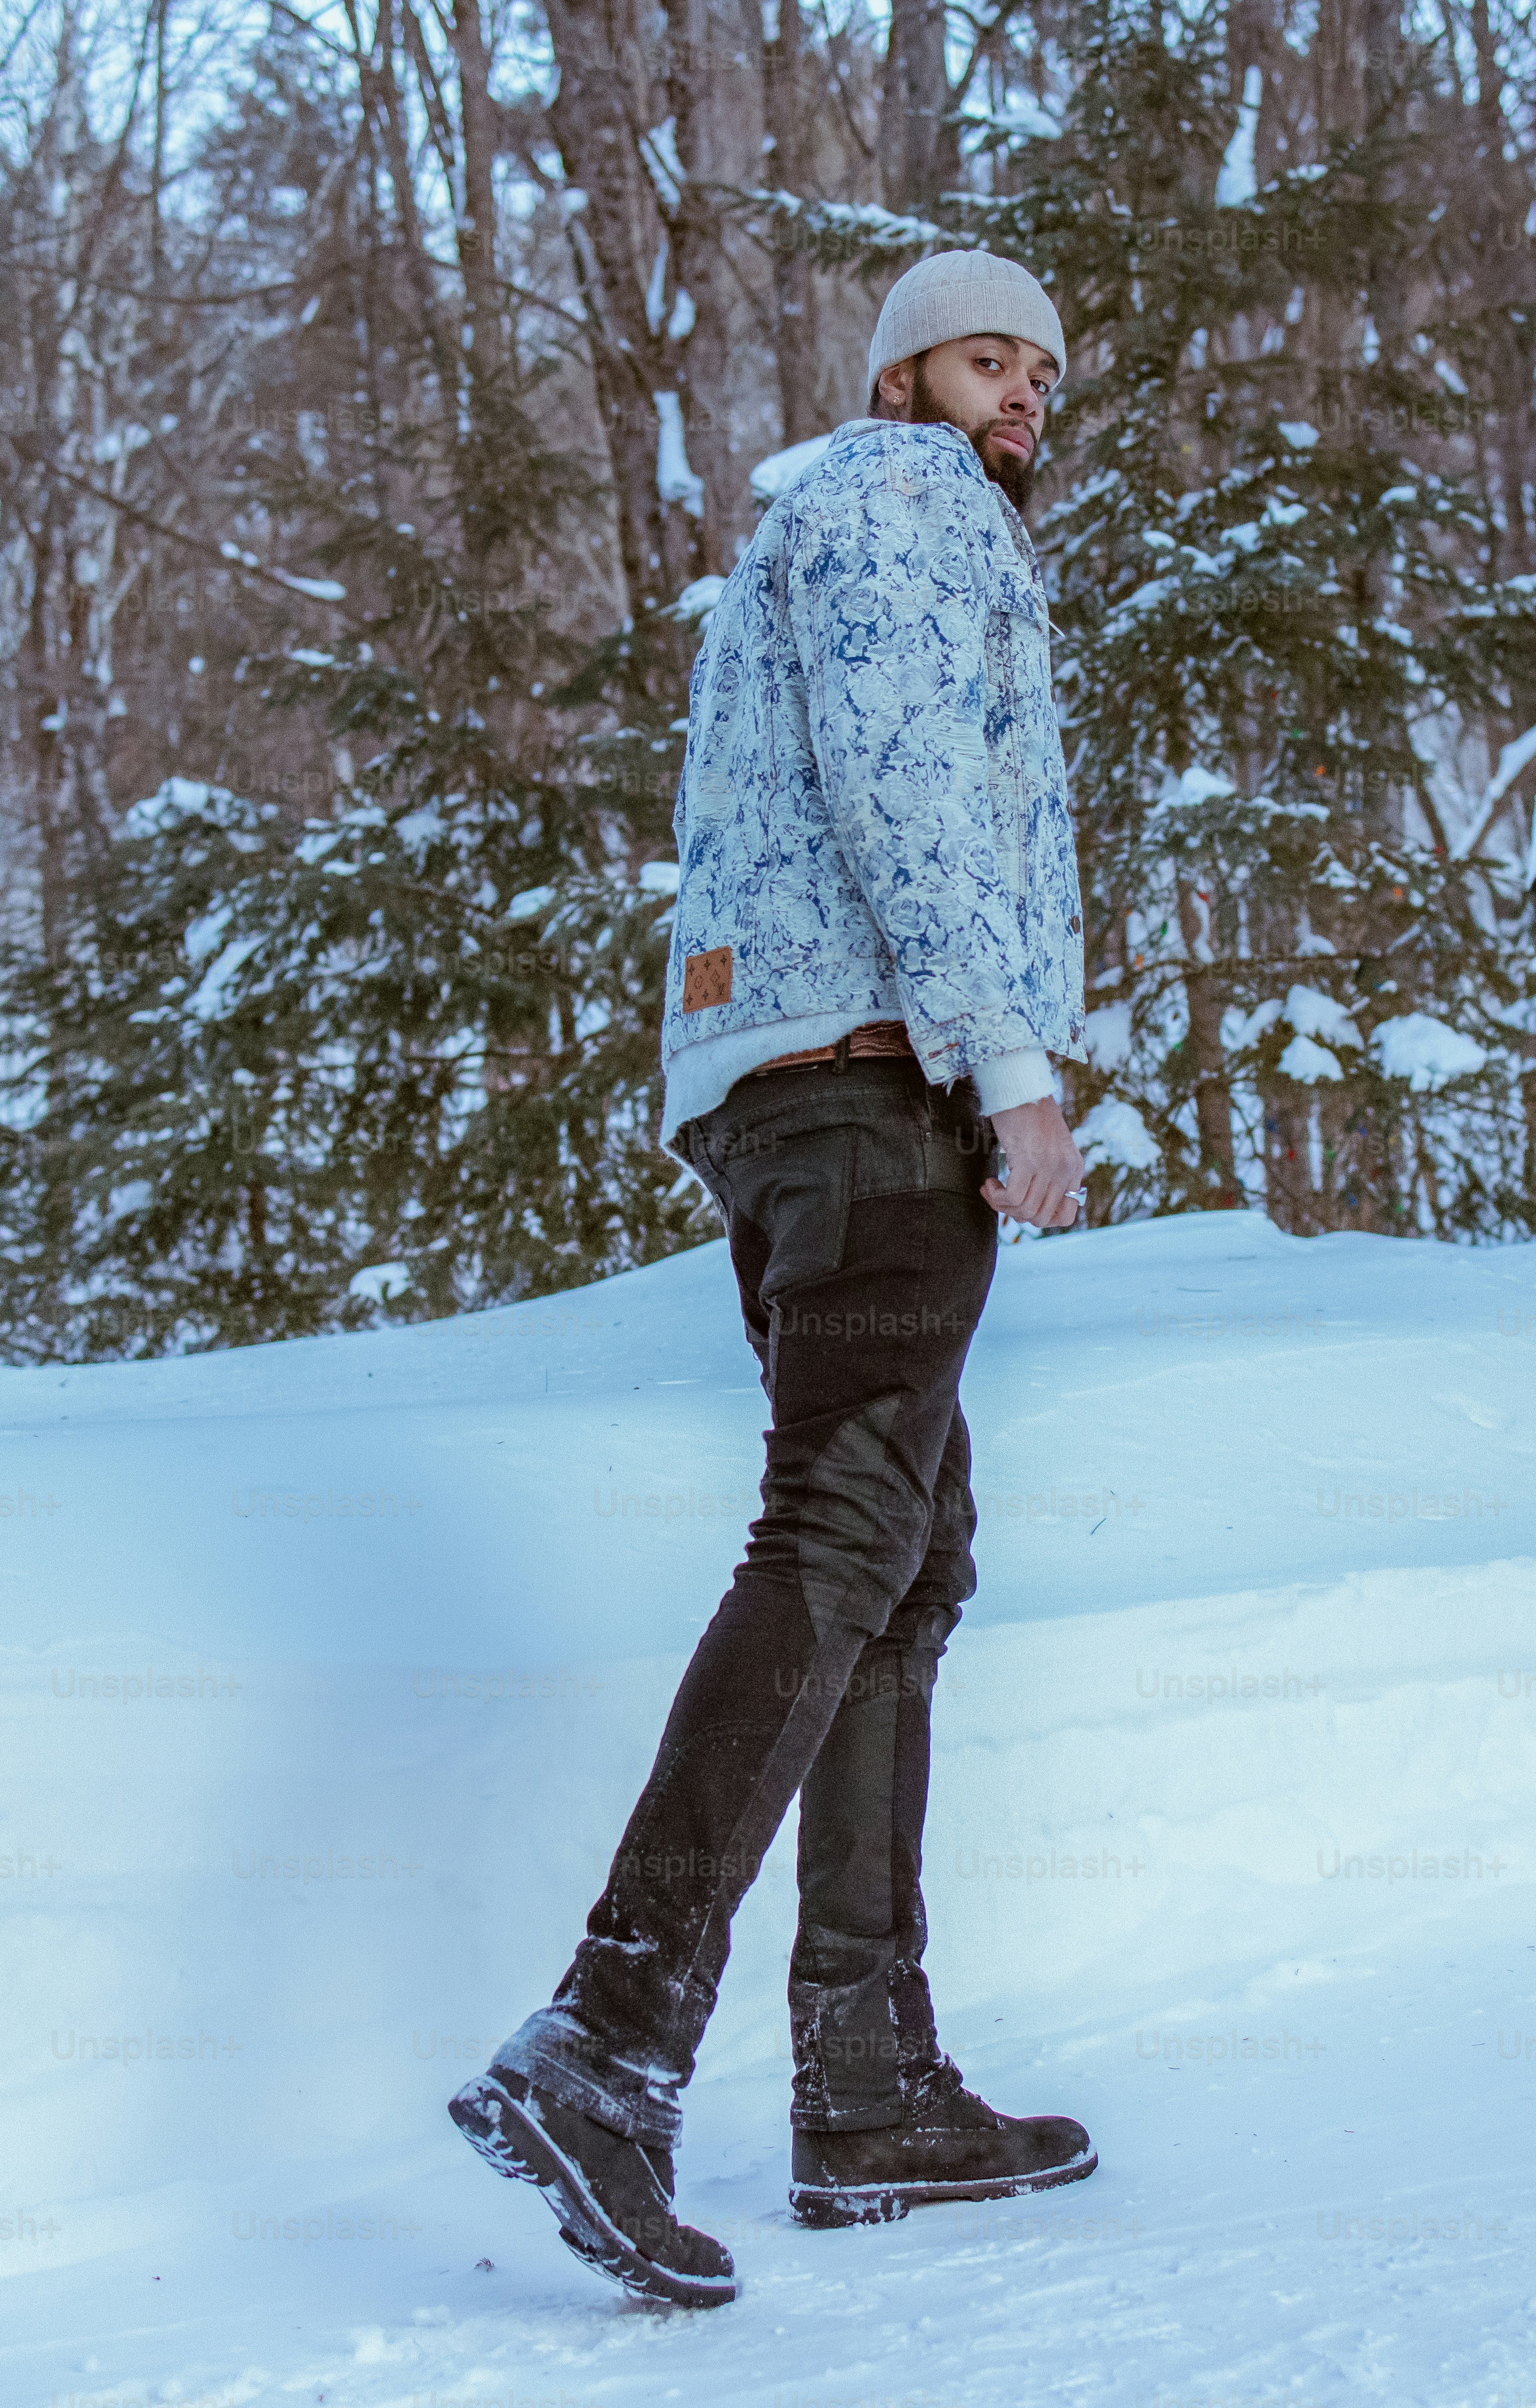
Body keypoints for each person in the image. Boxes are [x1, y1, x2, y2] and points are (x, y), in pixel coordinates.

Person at [448, 250, 1097, 2311]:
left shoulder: (819, 535)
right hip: (872, 1076)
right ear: (906, 374)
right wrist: (1019, 1074)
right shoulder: (904, 511)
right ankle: (610, 2037)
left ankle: (869, 2081)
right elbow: (919, 803)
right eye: (994, 357)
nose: (1028, 400)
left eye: (1048, 374)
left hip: (791, 1072)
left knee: (904, 1544)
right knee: (844, 1529)